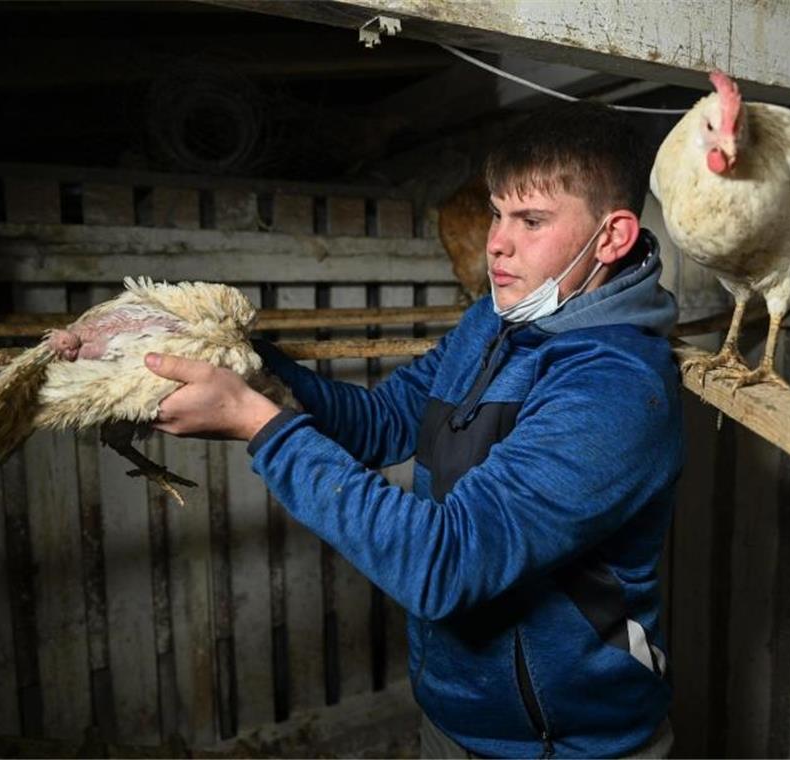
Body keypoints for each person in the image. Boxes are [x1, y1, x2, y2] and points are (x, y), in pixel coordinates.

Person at [145, 100, 685, 759]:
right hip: (453, 721)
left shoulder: (617, 389)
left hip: (568, 747)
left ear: (612, 237)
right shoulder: (493, 323)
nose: (496, 242)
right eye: (496, 212)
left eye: (531, 220)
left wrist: (261, 426)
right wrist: (243, 363)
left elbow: (447, 563)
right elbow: (376, 424)